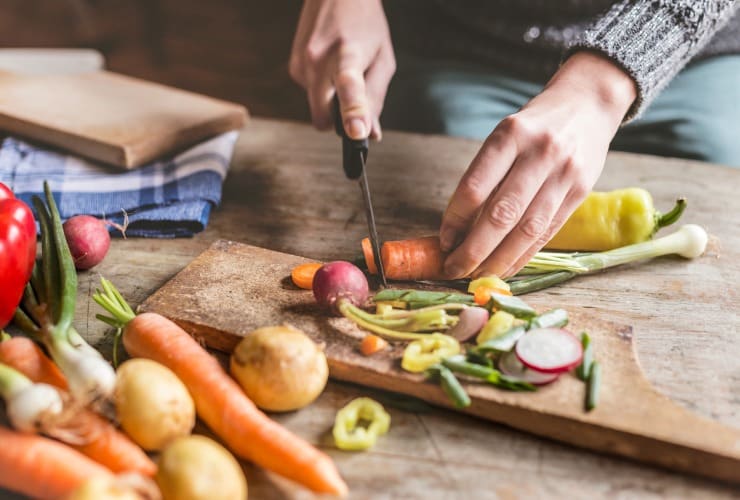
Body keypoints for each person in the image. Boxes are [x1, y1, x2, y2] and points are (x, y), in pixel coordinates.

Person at [288, 1, 740, 279]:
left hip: (685, 51)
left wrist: (599, 88)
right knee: (468, 207)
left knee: (722, 173)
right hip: (464, 48)